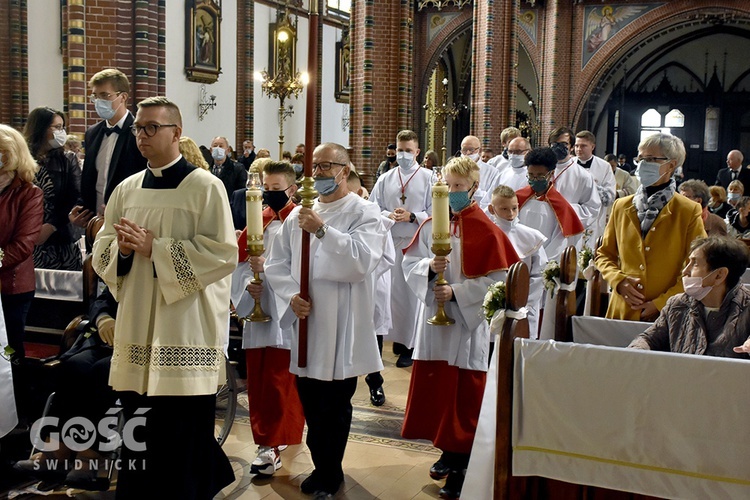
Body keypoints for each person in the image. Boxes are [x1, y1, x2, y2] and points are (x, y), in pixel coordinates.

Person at [91, 96, 236, 499]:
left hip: (185, 328)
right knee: (139, 430)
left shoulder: (206, 188)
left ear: (177, 132)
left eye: (153, 127)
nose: (143, 136)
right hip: (137, 323)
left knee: (182, 432)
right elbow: (102, 249)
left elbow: (222, 254)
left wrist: (156, 247)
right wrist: (120, 251)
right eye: (139, 127)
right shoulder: (126, 188)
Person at [264, 142, 387, 497]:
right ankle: (324, 466)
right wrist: (291, 295)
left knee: (335, 403)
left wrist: (321, 230)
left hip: (343, 323)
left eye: (325, 167)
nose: (316, 174)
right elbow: (277, 263)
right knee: (311, 400)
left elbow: (361, 263)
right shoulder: (298, 214)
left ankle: (330, 473)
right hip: (308, 322)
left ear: (344, 172)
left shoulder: (365, 213)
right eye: (314, 167)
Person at [401, 156, 519, 500]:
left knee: (463, 397)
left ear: (473, 188)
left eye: (458, 187)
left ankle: (462, 466)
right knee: (438, 394)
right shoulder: (429, 225)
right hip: (434, 327)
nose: (452, 193)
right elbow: (408, 262)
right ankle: (447, 450)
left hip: (466, 328)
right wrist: (427, 267)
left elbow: (499, 284)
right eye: (447, 187)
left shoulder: (486, 229)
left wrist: (458, 292)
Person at [231, 161, 305, 476]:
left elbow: (303, 271)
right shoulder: (256, 221)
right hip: (258, 314)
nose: (269, 195)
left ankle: (274, 441)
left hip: (286, 315)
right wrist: (249, 288)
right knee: (260, 379)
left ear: (291, 189)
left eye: (276, 189)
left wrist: (272, 286)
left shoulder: (300, 223)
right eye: (266, 188)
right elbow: (239, 265)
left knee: (281, 380)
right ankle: (266, 439)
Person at [14, 286, 119, 488]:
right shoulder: (122, 266)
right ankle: (56, 452)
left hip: (139, 347)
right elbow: (102, 300)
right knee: (74, 366)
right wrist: (103, 317)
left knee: (101, 372)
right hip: (105, 340)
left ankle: (89, 456)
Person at [596, 133, 706, 321]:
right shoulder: (621, 206)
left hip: (668, 313)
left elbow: (698, 266)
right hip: (623, 309)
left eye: (650, 159)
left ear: (671, 165)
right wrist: (619, 281)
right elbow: (604, 254)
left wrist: (661, 303)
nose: (643, 164)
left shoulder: (688, 211)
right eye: (640, 158)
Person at [370, 130, 433, 368]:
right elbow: (373, 207)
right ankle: (396, 339)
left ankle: (411, 345)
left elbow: (436, 209)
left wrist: (412, 216)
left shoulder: (428, 177)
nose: (403, 154)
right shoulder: (385, 178)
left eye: (408, 150)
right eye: (400, 150)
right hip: (390, 243)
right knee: (390, 295)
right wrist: (389, 215)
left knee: (411, 297)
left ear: (417, 152)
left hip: (415, 244)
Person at [629, 237, 750, 358]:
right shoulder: (677, 304)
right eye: (688, 263)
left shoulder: (746, 308)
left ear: (719, 275)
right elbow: (649, 338)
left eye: (695, 264)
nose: (685, 271)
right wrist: (638, 349)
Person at [0, 123, 43, 418]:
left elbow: (24, 245)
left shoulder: (29, 194)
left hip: (12, 288)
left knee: (9, 353)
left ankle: (17, 417)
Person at [70, 68, 147, 228]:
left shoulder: (139, 132)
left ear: (123, 97)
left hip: (127, 221)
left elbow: (143, 179)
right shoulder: (92, 133)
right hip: (94, 222)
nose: (99, 101)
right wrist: (80, 209)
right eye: (95, 96)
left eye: (105, 95)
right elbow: (90, 178)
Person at [23, 107, 83, 271]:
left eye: (62, 127)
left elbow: (74, 196)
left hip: (60, 237)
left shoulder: (67, 159)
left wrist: (51, 226)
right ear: (41, 128)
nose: (61, 132)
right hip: (26, 238)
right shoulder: (21, 159)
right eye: (56, 127)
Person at [488, 185, 547, 337]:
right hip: (494, 306)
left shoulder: (532, 236)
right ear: (491, 209)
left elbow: (539, 274)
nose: (511, 214)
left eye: (514, 208)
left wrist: (522, 302)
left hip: (524, 306)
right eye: (504, 209)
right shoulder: (487, 236)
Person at [516, 147, 585, 263]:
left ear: (551, 173)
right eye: (531, 175)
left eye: (540, 176)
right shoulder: (518, 198)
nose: (535, 179)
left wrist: (543, 262)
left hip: (545, 260)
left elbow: (560, 241)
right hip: (517, 256)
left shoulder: (560, 206)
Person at [547, 127, 601, 246]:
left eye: (564, 144)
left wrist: (565, 209)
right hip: (542, 229)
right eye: (554, 143)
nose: (558, 147)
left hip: (565, 234)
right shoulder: (541, 170)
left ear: (571, 147)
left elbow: (592, 208)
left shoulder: (583, 176)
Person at [573, 130, 616, 245]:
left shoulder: (604, 166)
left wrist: (590, 185)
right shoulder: (569, 164)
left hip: (594, 220)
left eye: (583, 146)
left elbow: (610, 197)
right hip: (572, 217)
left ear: (593, 146)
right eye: (576, 145)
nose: (578, 149)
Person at [460, 135, 501, 209]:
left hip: (481, 211)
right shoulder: (452, 168)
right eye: (464, 149)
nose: (468, 153)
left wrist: (473, 190)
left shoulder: (492, 172)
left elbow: (494, 197)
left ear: (479, 150)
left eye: (471, 149)